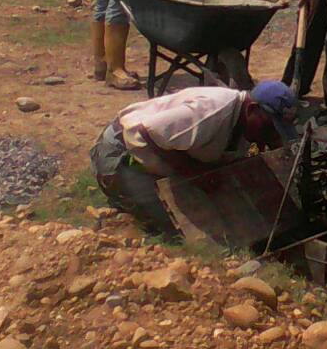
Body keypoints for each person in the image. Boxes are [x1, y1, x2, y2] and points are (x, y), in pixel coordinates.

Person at [90, 81, 298, 236]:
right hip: (121, 154)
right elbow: (148, 131)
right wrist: (194, 173)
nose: (271, 137)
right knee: (175, 232)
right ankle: (123, 204)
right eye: (269, 128)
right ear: (252, 110)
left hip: (158, 155)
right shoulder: (212, 111)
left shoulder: (243, 116)